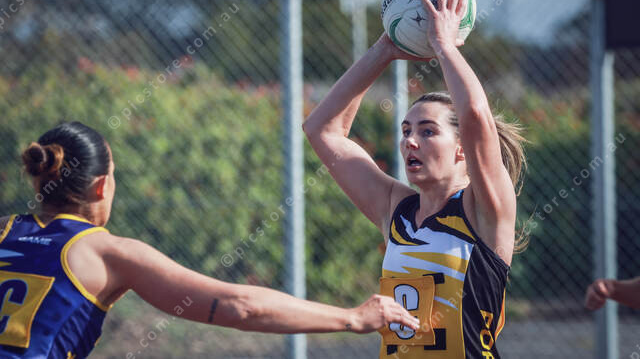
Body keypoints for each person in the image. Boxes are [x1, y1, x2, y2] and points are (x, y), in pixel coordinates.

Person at [0, 121, 419, 358]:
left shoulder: (4, 228)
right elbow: (241, 306)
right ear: (100, 187)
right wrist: (352, 318)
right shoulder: (107, 252)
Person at [303, 0, 526, 358]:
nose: (410, 141)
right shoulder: (397, 210)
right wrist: (385, 48)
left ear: (462, 147)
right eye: (406, 130)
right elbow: (322, 130)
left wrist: (444, 45)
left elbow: (475, 115)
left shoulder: (484, 210)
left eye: (427, 131)